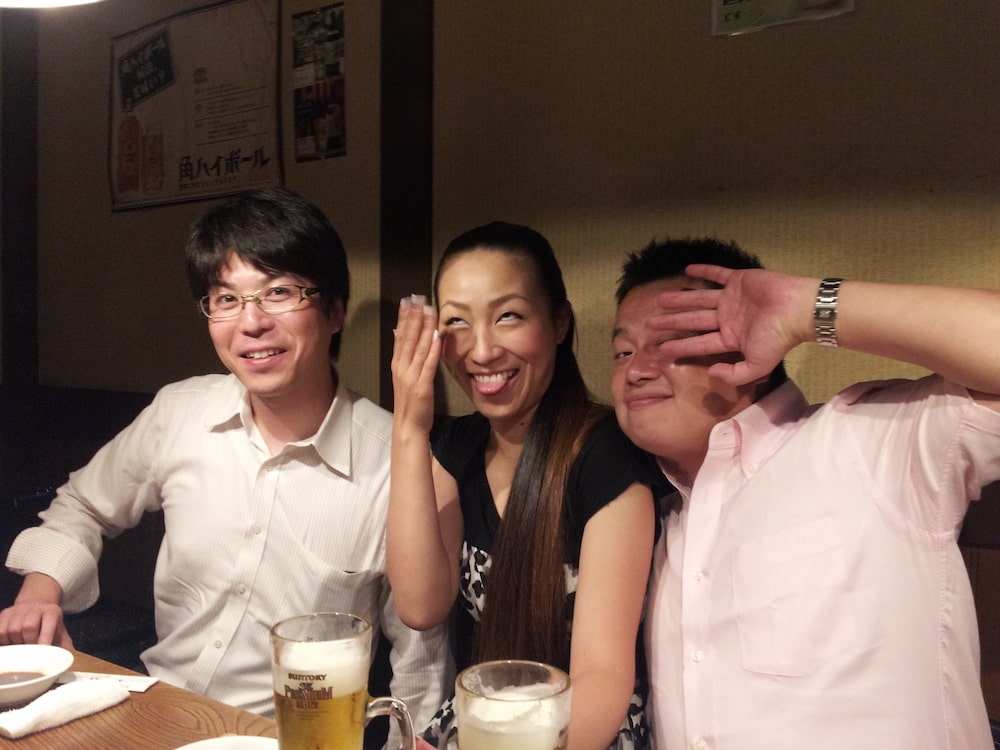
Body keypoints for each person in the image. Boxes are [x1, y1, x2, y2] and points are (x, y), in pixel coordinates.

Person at [0, 187, 452, 738]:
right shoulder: (180, 412)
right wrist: (41, 590)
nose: (251, 322)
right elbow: (84, 506)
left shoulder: (393, 459)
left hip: (287, 738)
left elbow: (419, 656)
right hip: (154, 713)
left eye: (279, 292)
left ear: (334, 311)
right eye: (226, 299)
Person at [610, 237, 1000, 750]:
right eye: (622, 352)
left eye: (670, 343)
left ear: (747, 340)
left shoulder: (870, 442)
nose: (636, 370)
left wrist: (805, 308)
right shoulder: (645, 522)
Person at [388, 221, 666, 750]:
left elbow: (603, 674)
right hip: (483, 721)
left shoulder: (605, 455)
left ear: (559, 322)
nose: (482, 350)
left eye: (508, 316)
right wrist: (409, 426)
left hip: (582, 731)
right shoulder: (458, 448)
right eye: (457, 322)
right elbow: (420, 605)